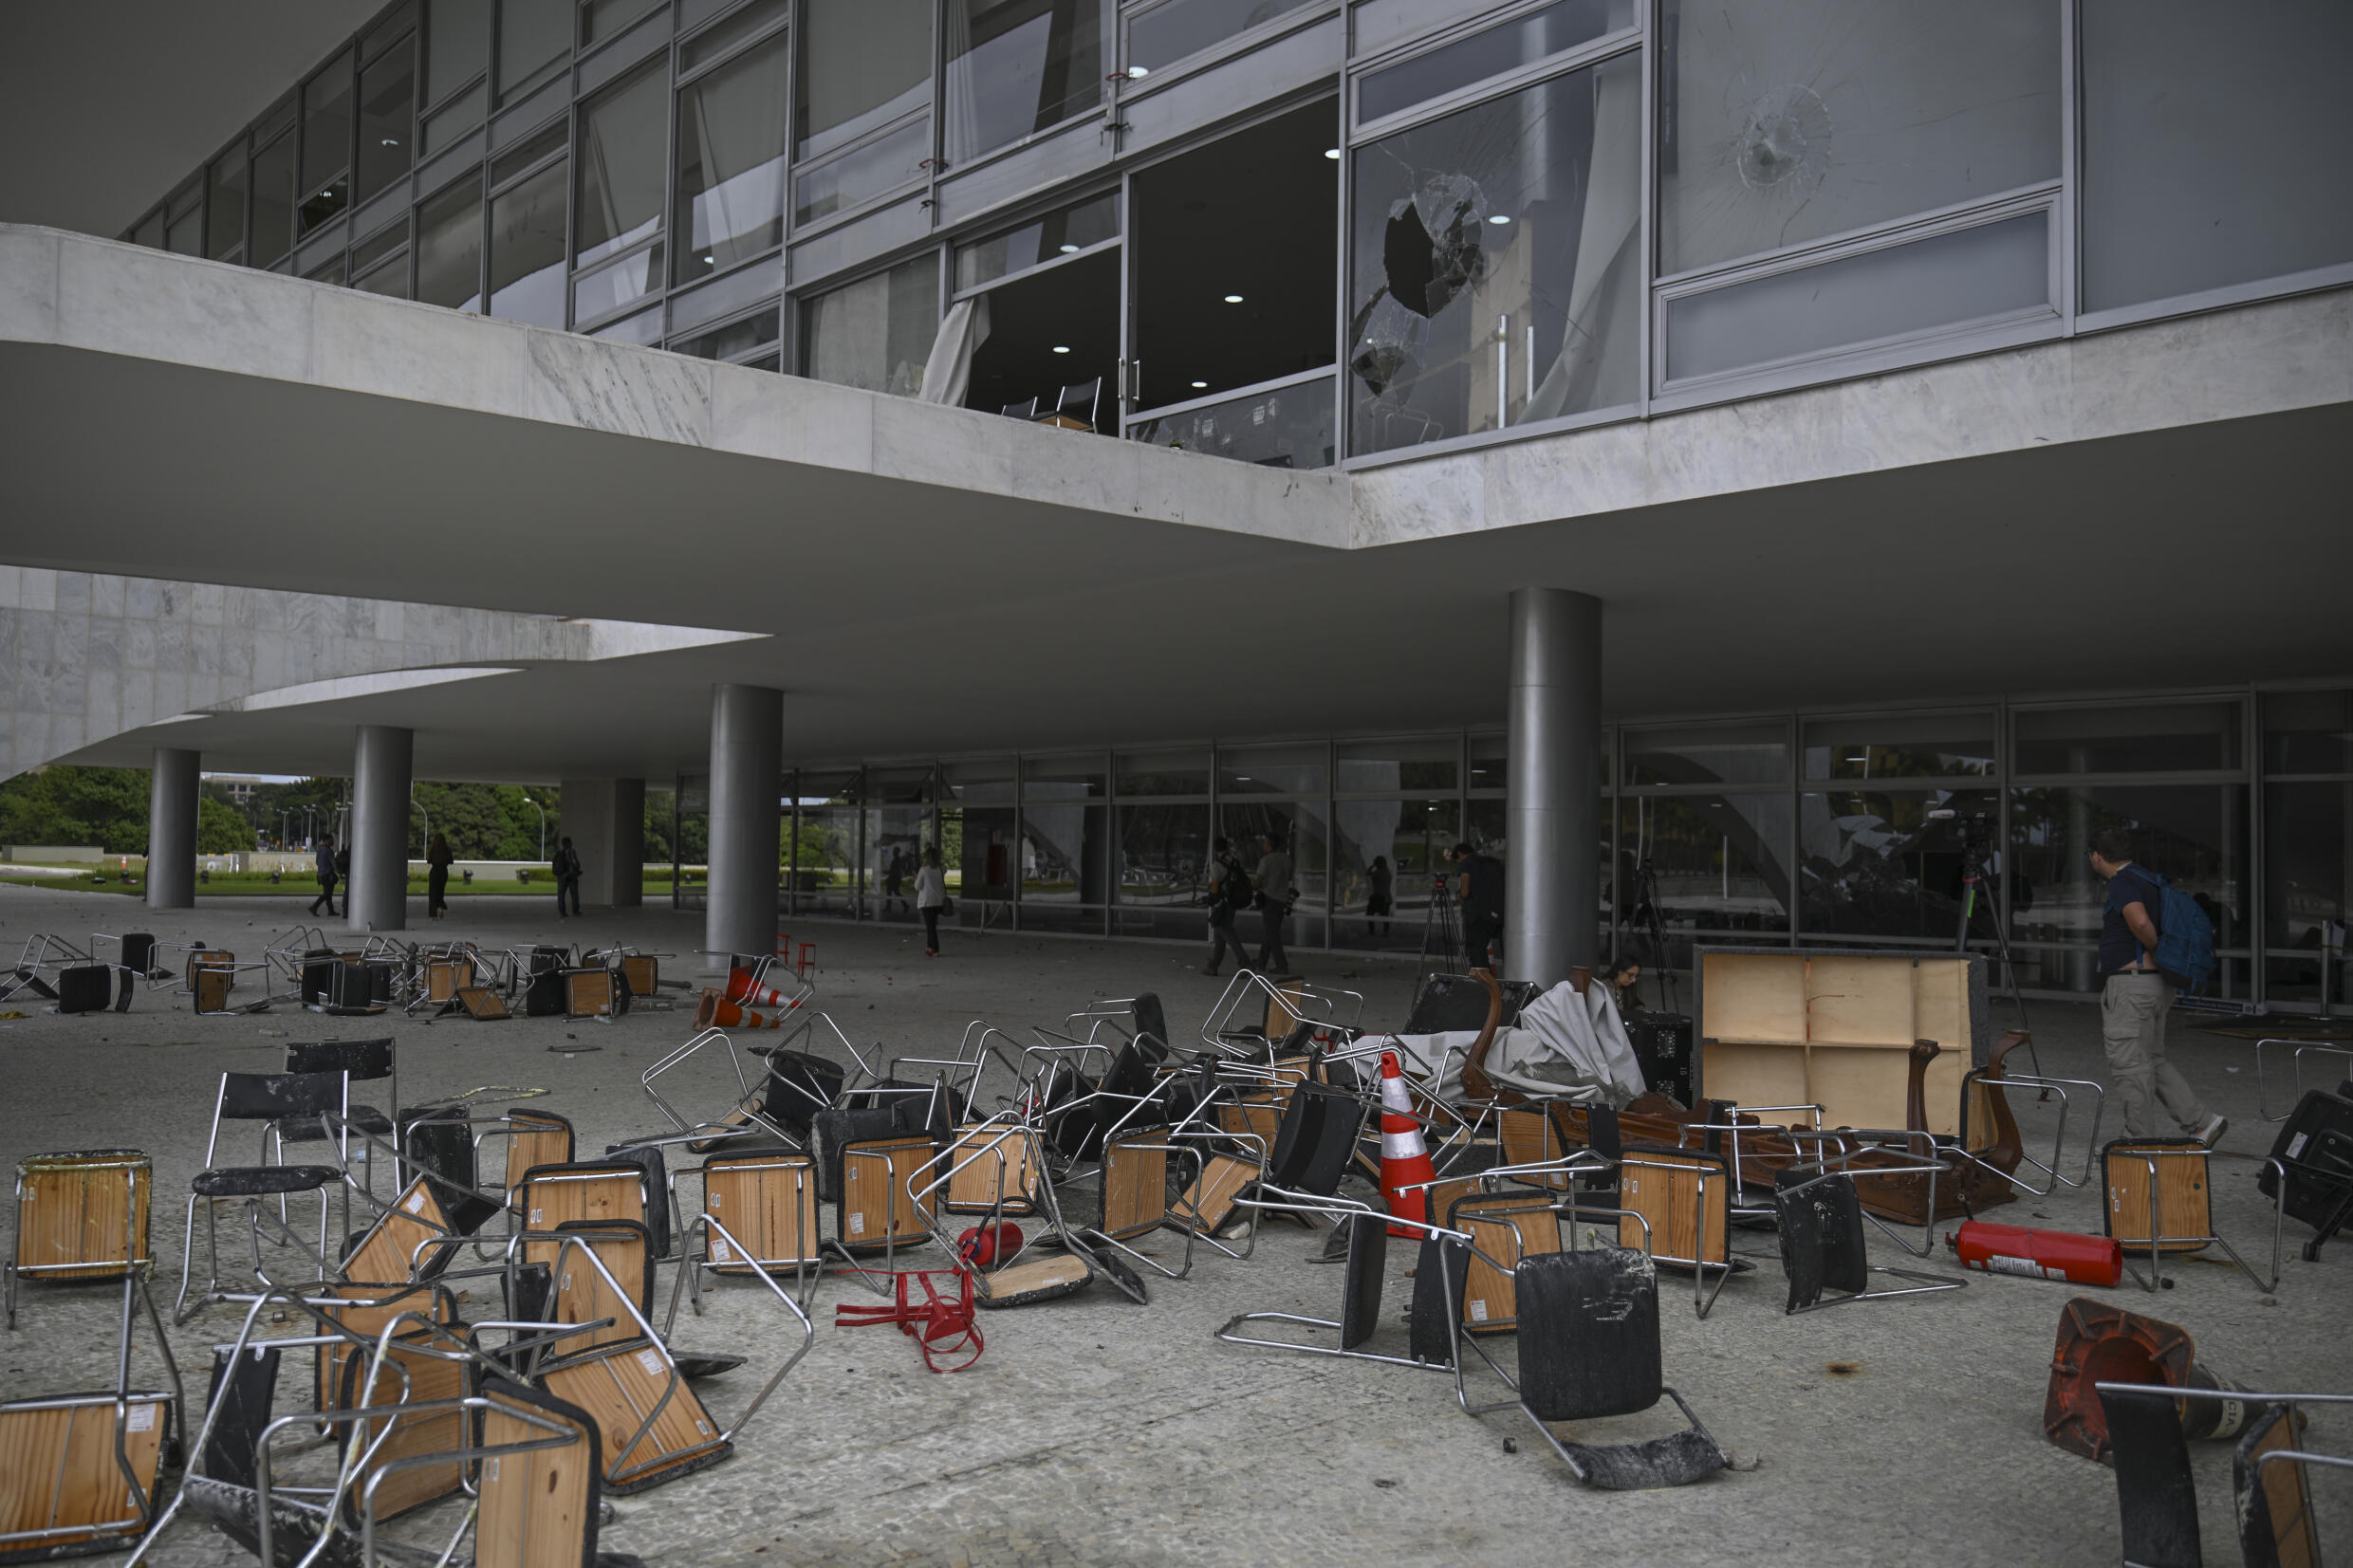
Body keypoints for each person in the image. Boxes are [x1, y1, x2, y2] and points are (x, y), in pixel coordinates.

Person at [2089, 828, 2225, 1147]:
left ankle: (2138, 1141)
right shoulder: (2149, 879)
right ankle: (2203, 1123)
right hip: (2154, 986)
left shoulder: (2123, 882)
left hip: (2132, 985)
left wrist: (2158, 952)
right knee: (2153, 1059)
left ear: (2097, 855)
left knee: (2131, 1064)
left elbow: (2138, 922)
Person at [1451, 841, 1505, 969]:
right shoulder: (1490, 862)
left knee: (1477, 951)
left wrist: (1461, 898)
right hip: (1495, 912)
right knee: (1484, 946)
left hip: (1477, 913)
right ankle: (1490, 981)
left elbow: (1465, 891)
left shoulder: (1467, 863)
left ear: (1459, 854)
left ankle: (1484, 983)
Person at [1202, 836, 1251, 976]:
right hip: (1233, 901)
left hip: (1223, 903)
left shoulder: (1217, 865)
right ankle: (1213, 965)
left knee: (1227, 932)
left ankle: (1245, 962)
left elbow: (1215, 887)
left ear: (1215, 849)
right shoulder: (1234, 861)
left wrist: (1210, 896)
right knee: (1219, 934)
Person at [1252, 831, 1293, 974]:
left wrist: (1248, 885)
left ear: (1269, 844)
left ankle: (1282, 966)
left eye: (1265, 842)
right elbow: (1289, 878)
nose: (1263, 844)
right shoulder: (1286, 859)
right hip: (1283, 900)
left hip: (1270, 900)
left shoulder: (1266, 860)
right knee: (1270, 932)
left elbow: (1258, 882)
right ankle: (1261, 963)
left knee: (1273, 935)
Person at [916, 846, 948, 957]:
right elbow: (944, 869)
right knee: (931, 925)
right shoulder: (941, 869)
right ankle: (929, 947)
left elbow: (917, 886)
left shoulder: (923, 870)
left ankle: (935, 949)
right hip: (938, 901)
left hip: (927, 902)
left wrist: (917, 878)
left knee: (930, 927)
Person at [552, 835, 584, 919]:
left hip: (562, 876)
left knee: (561, 895)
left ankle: (562, 912)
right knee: (574, 894)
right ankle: (575, 910)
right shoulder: (571, 852)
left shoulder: (559, 853)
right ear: (569, 843)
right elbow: (576, 864)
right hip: (570, 875)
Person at [308, 836, 340, 917]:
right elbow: (333, 863)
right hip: (328, 875)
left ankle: (331, 910)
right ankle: (314, 907)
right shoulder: (329, 851)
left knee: (328, 892)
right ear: (326, 840)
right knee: (327, 893)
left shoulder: (319, 850)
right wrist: (338, 871)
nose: (332, 841)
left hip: (320, 875)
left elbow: (317, 862)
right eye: (331, 840)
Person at [426, 832, 454, 920]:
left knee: (432, 893)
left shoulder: (432, 849)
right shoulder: (447, 849)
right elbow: (451, 861)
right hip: (443, 872)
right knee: (440, 891)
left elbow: (429, 861)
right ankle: (440, 907)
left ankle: (433, 914)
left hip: (434, 871)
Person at [1364, 855, 1394, 938]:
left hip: (1378, 896)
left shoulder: (1378, 872)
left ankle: (1371, 931)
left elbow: (1367, 873)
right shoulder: (1388, 872)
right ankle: (1386, 931)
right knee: (1385, 915)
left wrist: (1372, 866)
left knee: (1369, 913)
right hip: (1387, 896)